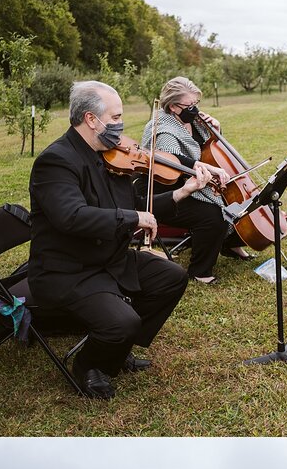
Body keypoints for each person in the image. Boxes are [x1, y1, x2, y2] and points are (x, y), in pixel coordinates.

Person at [28, 80, 213, 400]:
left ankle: (116, 348)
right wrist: (130, 220)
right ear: (90, 119)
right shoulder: (56, 161)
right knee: (122, 321)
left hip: (108, 259)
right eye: (115, 118)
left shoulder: (110, 155)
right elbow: (71, 217)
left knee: (171, 277)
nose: (121, 125)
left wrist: (183, 191)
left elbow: (138, 206)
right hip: (68, 269)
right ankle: (89, 366)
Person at [141, 76, 279, 284]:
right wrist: (202, 168)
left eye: (196, 103)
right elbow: (171, 160)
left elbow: (210, 151)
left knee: (239, 205)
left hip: (200, 183)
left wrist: (216, 129)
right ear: (173, 106)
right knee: (213, 215)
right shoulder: (163, 130)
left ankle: (229, 245)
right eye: (189, 105)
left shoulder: (193, 121)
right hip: (170, 192)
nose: (194, 109)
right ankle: (199, 271)